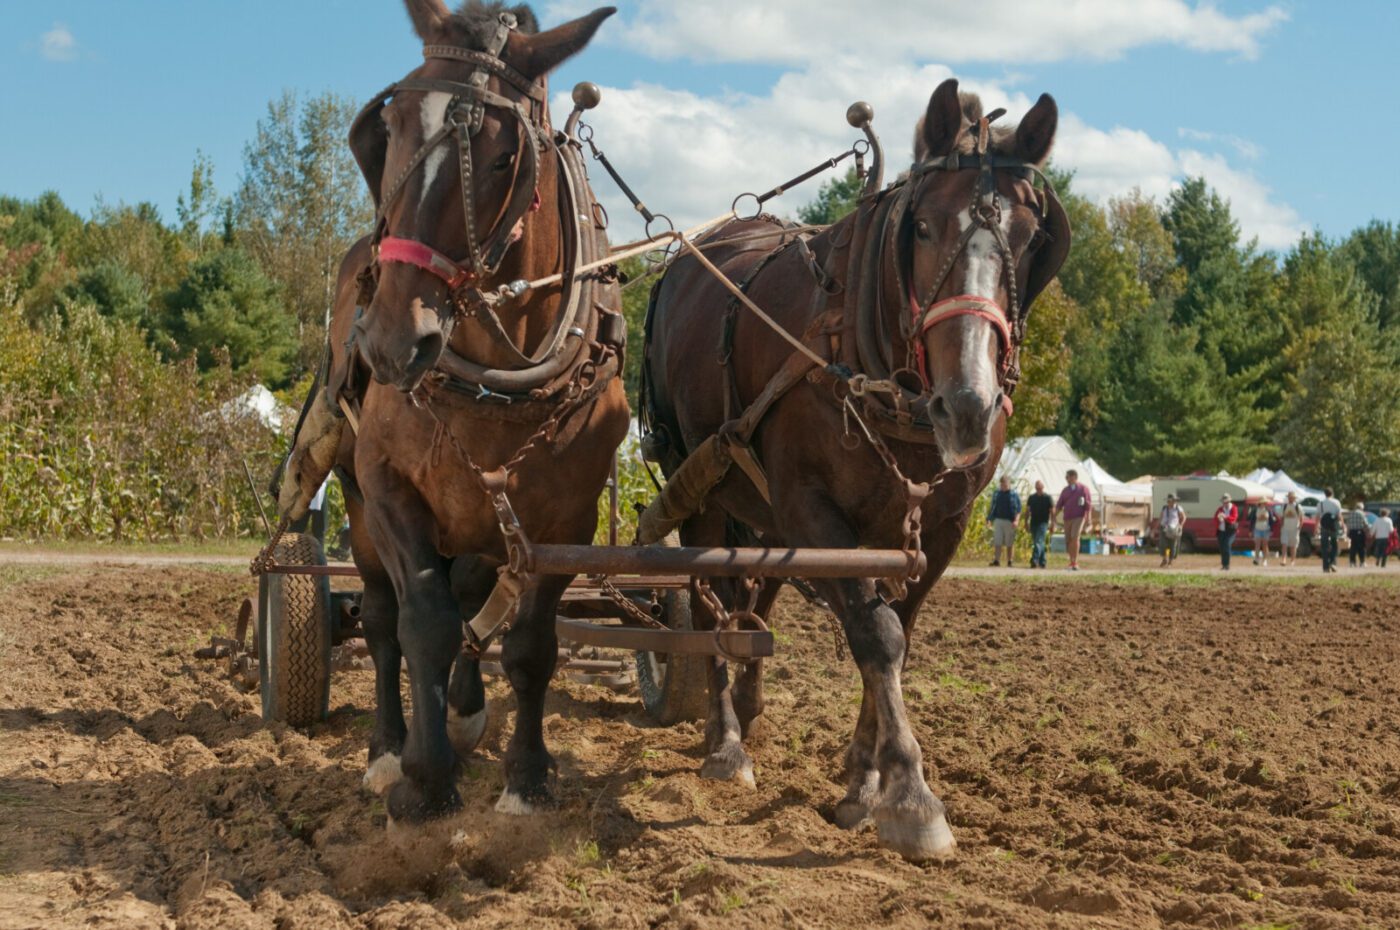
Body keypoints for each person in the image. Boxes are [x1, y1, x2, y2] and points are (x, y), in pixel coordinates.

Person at [1053, 469, 1092, 571]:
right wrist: (1053, 517)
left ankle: (1075, 562)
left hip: (1079, 516)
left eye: (1068, 477)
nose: (1067, 479)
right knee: (1069, 540)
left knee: (1075, 536)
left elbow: (1088, 505)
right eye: (1066, 477)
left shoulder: (1083, 489)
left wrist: (1088, 519)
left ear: (1074, 477)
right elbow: (1059, 505)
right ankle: (1071, 561)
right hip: (1067, 517)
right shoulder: (1065, 491)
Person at [987, 477, 1022, 567]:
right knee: (997, 541)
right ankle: (996, 560)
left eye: (1005, 484)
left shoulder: (1014, 494)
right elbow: (992, 508)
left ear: (1009, 484)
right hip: (998, 520)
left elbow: (1018, 509)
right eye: (1002, 484)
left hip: (1010, 521)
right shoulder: (997, 494)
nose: (1003, 486)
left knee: (1009, 542)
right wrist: (989, 519)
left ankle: (1010, 561)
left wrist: (1016, 520)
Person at [1023, 480, 1054, 569]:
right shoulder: (1032, 498)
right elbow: (1027, 511)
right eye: (1037, 488)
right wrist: (1026, 522)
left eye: (1040, 487)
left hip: (1043, 523)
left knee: (1038, 541)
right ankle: (1043, 561)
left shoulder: (1048, 498)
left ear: (1043, 487)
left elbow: (1052, 512)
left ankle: (1034, 560)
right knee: (1040, 542)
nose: (1038, 489)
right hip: (1033, 523)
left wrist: (1053, 524)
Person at [1317, 487, 1342, 573]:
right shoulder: (1336, 502)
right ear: (1332, 493)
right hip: (1333, 526)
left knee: (1324, 546)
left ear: (1324, 494)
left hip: (1324, 526)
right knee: (1334, 545)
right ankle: (1333, 562)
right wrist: (1342, 524)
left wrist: (1316, 527)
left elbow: (1317, 516)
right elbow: (1339, 515)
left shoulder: (1320, 503)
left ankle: (1325, 567)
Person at [1159, 494, 1186, 567]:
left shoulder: (1178, 508)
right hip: (1164, 528)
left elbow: (1183, 517)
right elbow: (1161, 517)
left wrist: (1181, 525)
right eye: (1170, 500)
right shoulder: (1164, 508)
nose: (1172, 502)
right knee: (1163, 545)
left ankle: (1170, 562)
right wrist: (1157, 526)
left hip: (1173, 529)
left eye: (1174, 500)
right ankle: (1164, 559)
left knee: (1172, 545)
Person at [1279, 491, 1304, 566]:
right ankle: (1284, 559)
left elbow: (1301, 518)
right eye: (1289, 497)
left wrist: (1299, 527)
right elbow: (1282, 517)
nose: (1291, 499)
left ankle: (1292, 560)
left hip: (1294, 528)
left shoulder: (1298, 507)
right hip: (1285, 528)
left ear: (1294, 498)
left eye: (1292, 497)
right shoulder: (1284, 506)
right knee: (1284, 544)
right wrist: (1282, 526)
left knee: (1293, 545)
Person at [1214, 494, 1239, 570]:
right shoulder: (1220, 509)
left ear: (1229, 501)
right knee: (1222, 547)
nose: (1225, 503)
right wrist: (1219, 518)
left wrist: (1225, 517)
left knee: (1227, 545)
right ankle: (1224, 564)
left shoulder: (1234, 508)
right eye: (1224, 502)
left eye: (1226, 502)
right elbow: (1215, 518)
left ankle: (1227, 564)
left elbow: (1233, 518)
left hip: (1230, 531)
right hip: (1221, 531)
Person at [1249, 499, 1275, 566]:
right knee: (1257, 544)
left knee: (1265, 545)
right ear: (1260, 503)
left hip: (1266, 529)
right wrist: (1250, 530)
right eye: (1263, 502)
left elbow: (1271, 520)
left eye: (1265, 502)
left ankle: (1265, 560)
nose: (1264, 503)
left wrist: (1272, 530)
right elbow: (1252, 520)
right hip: (1257, 529)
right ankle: (1256, 559)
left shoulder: (1268, 510)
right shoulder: (1255, 510)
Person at [1345, 501, 1370, 567]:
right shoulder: (1362, 514)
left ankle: (1352, 562)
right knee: (1361, 548)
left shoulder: (1350, 513)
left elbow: (1348, 524)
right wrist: (1368, 532)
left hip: (1352, 532)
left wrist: (1347, 533)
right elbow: (1366, 524)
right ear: (1361, 508)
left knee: (1353, 548)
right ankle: (1362, 562)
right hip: (1360, 532)